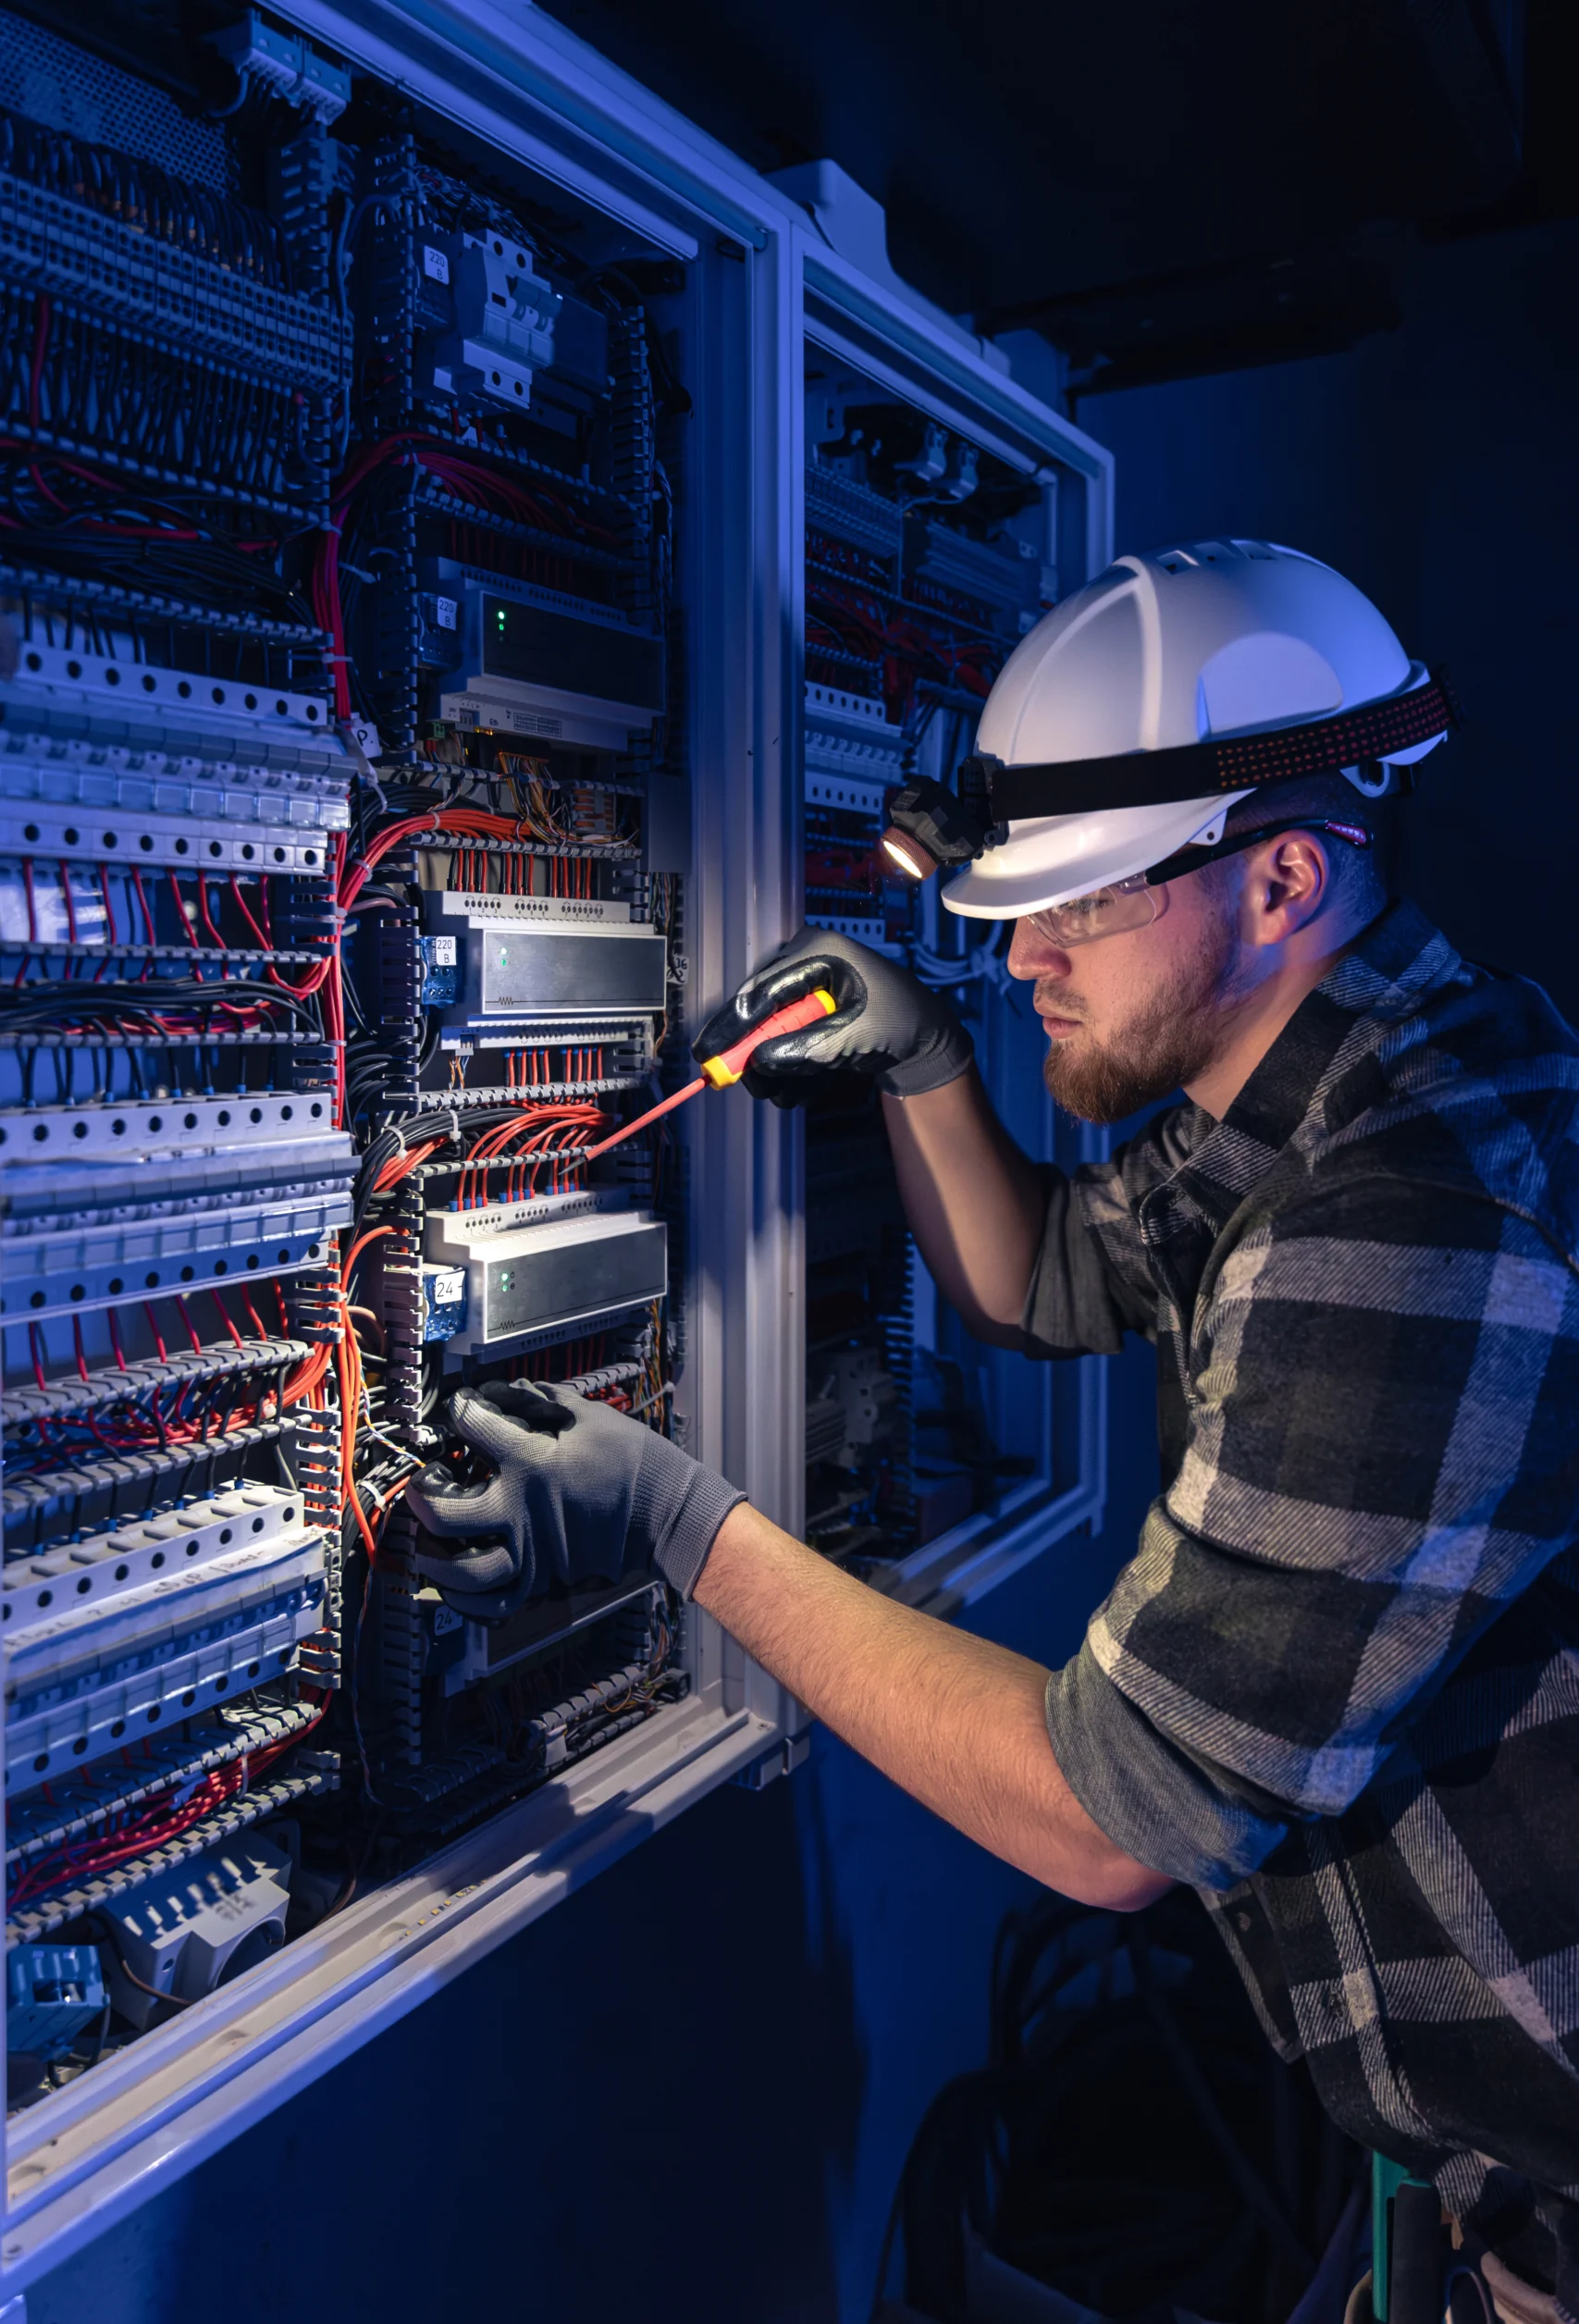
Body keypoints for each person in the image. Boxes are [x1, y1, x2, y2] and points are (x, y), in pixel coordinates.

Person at [411, 541, 1579, 2308]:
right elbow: (1047, 1278)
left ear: (1279, 877)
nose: (1024, 948)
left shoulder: (1405, 1223)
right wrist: (925, 1062)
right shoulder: (1338, 1077)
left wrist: (679, 1524)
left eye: (1082, 902)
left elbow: (1111, 1821)